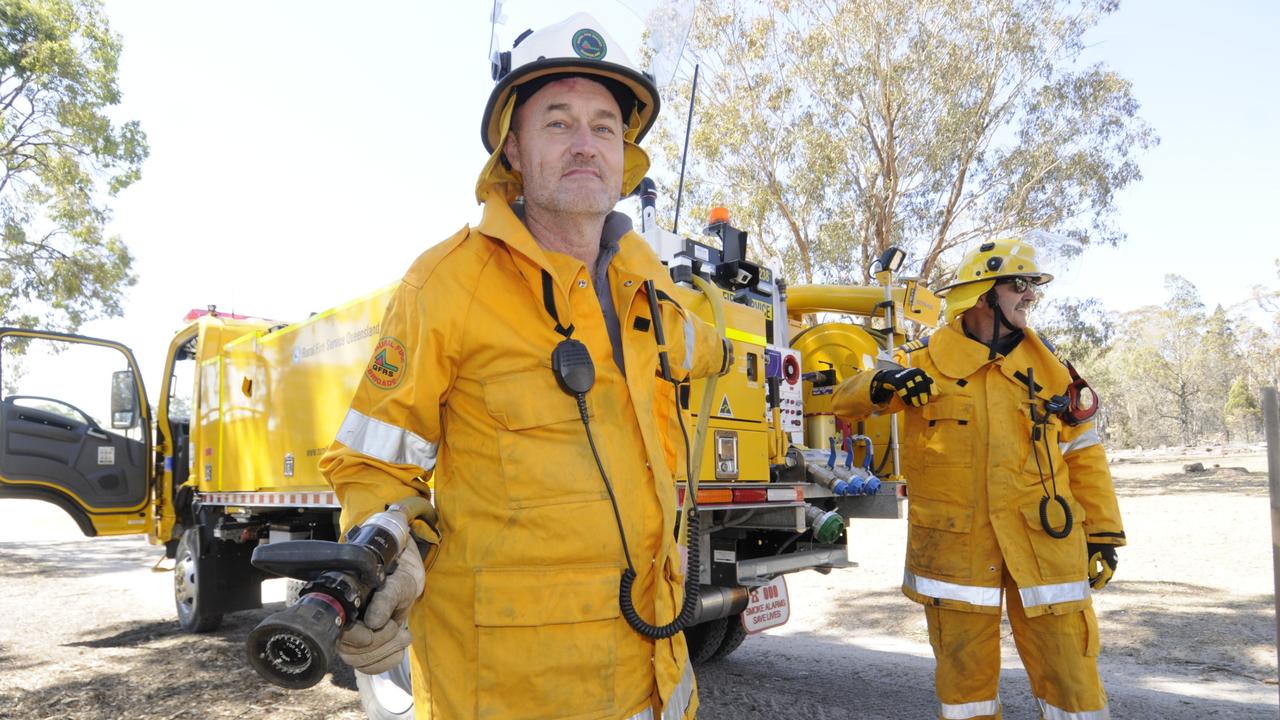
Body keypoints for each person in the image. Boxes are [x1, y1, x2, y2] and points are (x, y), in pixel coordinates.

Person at [319, 12, 730, 720]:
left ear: (624, 153)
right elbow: (371, 462)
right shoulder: (445, 285)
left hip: (656, 675)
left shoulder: (646, 279)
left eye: (604, 126)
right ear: (512, 147)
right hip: (514, 689)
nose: (585, 144)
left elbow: (702, 353)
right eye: (558, 122)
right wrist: (387, 551)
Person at [832, 238, 1126, 719]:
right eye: (1021, 284)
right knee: (966, 689)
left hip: (1045, 547)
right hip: (955, 554)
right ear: (983, 294)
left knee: (1072, 678)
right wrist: (881, 383)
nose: (1031, 295)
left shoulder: (1054, 374)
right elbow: (844, 399)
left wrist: (1103, 534)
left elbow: (1084, 456)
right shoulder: (919, 360)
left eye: (1033, 286)